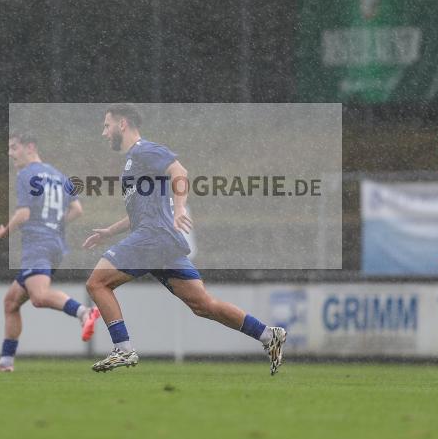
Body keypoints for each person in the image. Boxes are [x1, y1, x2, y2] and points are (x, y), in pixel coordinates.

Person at [82, 103, 287, 375]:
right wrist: (110, 231)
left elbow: (180, 172)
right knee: (203, 305)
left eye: (107, 125)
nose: (104, 132)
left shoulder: (145, 149)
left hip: (153, 238)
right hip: (160, 240)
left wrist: (180, 209)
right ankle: (267, 335)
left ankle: (123, 348)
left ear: (123, 124)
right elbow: (142, 212)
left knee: (96, 283)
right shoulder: (134, 162)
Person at [0, 134, 101, 372]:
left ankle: (84, 311)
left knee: (39, 297)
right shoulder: (60, 176)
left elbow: (24, 214)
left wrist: (3, 232)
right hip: (55, 244)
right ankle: (6, 362)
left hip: (37, 244)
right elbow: (77, 210)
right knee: (11, 302)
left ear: (30, 148)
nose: (10, 153)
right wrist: (55, 225)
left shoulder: (26, 174)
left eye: (14, 148)